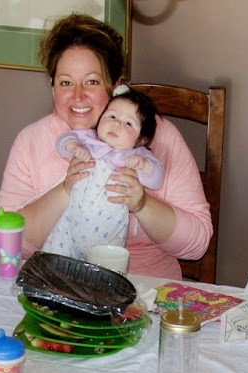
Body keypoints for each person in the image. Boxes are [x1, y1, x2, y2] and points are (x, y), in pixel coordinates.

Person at [0, 14, 211, 278]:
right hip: (61, 284)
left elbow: (197, 244)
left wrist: (142, 205)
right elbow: (6, 243)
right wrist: (65, 190)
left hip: (145, 288)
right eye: (65, 82)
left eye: (92, 81)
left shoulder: (158, 136)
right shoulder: (32, 141)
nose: (78, 96)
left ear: (116, 85)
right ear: (52, 86)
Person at [42, 85, 166, 260]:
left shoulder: (137, 154)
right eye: (112, 116)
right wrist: (74, 147)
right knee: (53, 260)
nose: (116, 123)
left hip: (109, 236)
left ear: (141, 139)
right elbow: (63, 139)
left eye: (128, 123)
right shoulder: (89, 139)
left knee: (106, 268)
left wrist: (144, 165)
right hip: (68, 227)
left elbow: (157, 178)